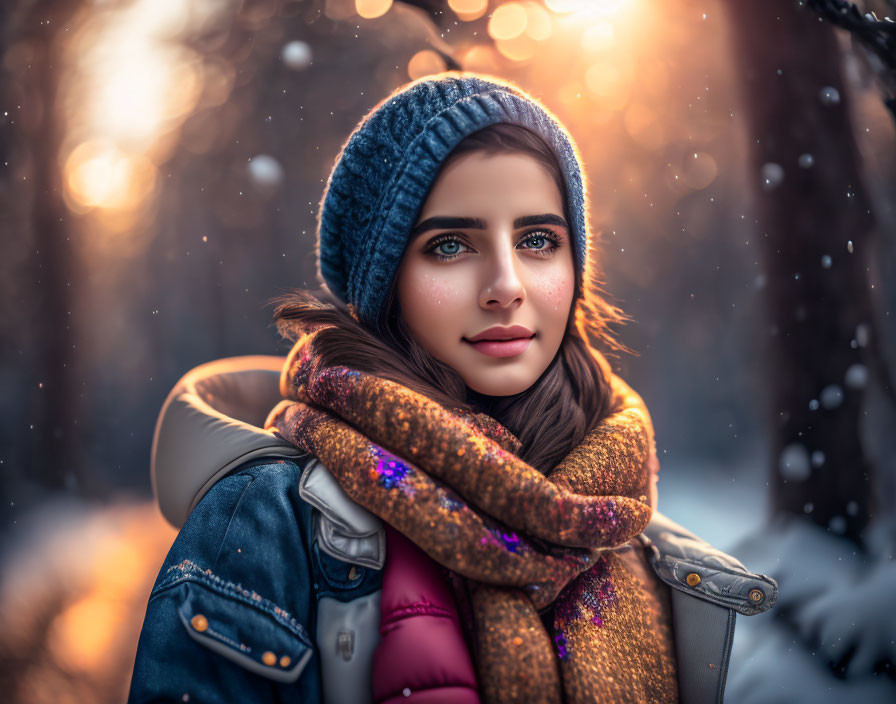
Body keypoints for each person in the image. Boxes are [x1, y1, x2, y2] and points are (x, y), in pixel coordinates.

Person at [128, 73, 777, 704]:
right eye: (449, 246)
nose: (506, 284)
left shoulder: (614, 517)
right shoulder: (266, 517)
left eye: (537, 240)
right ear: (383, 283)